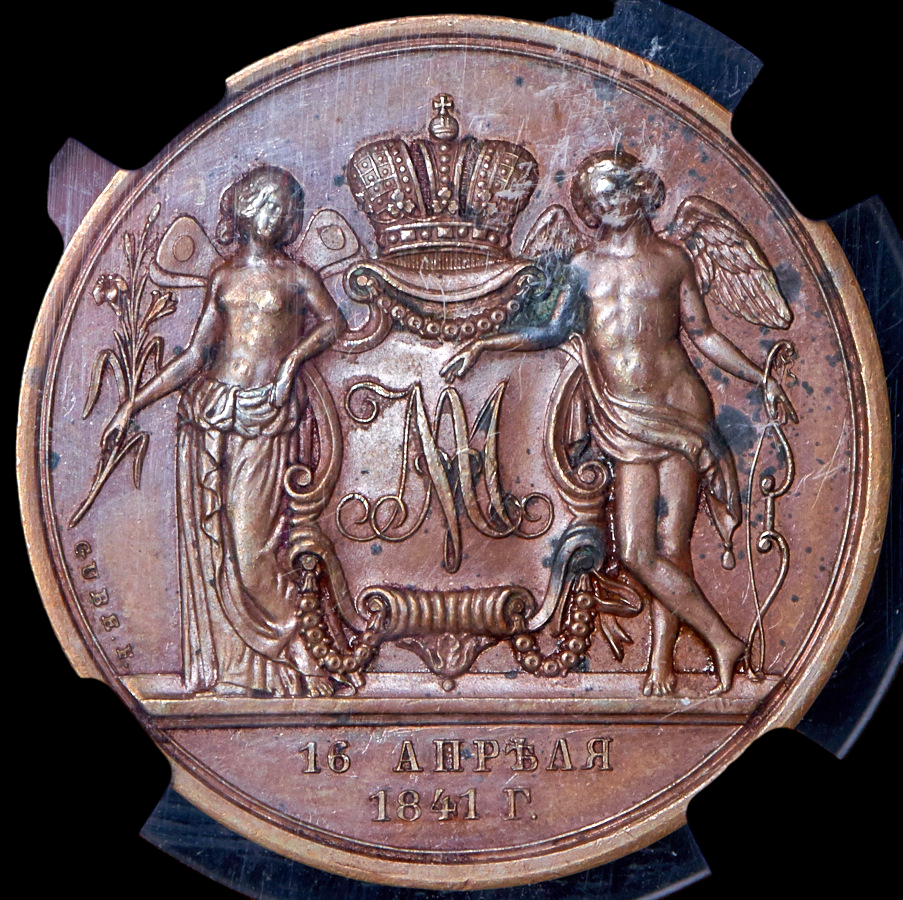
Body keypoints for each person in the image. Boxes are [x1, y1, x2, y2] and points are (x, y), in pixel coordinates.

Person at [442, 150, 796, 695]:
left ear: (642, 191)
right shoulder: (582, 267)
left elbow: (703, 335)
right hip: (623, 416)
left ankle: (661, 662)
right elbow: (551, 329)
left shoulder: (674, 260)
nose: (615, 201)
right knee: (634, 551)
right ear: (591, 206)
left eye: (623, 188)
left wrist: (761, 377)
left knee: (672, 546)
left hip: (682, 408)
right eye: (603, 194)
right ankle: (723, 639)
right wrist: (487, 343)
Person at [103, 165, 347, 697]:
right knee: (224, 551)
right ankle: (247, 668)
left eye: (287, 207)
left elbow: (334, 323)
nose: (279, 215)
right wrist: (132, 404)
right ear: (247, 207)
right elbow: (196, 355)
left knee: (252, 549)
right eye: (270, 203)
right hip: (211, 416)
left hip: (266, 418)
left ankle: (302, 649)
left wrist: (291, 364)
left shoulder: (297, 277)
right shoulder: (224, 278)